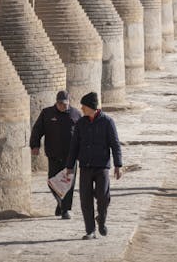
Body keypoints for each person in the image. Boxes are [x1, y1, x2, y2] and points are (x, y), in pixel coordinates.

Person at [65, 92, 123, 240]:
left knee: (103, 196)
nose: (82, 109)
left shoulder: (107, 122)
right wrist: (70, 166)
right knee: (85, 199)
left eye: (84, 106)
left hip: (102, 166)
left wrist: (118, 165)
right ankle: (90, 230)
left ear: (91, 107)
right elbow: (74, 146)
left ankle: (101, 219)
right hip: (85, 166)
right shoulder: (81, 123)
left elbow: (115, 144)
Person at [30, 90, 82, 219]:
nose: (63, 106)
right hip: (53, 154)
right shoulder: (47, 113)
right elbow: (37, 130)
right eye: (60, 104)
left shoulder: (76, 114)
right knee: (52, 182)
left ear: (69, 102)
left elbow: (83, 134)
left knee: (68, 183)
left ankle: (65, 209)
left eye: (65, 104)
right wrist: (35, 145)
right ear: (56, 102)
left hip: (71, 156)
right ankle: (60, 204)